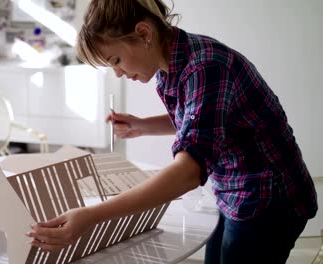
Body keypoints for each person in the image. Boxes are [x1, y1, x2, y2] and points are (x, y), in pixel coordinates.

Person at [26, 0, 318, 263]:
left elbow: (188, 173)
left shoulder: (205, 66)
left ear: (143, 34)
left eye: (115, 60)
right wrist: (141, 125)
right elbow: (201, 120)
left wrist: (92, 216)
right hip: (233, 190)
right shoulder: (172, 64)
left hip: (269, 197)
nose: (118, 73)